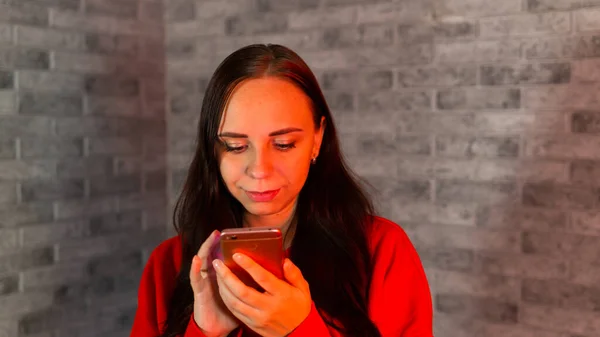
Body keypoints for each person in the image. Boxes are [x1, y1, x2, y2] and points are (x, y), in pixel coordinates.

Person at [130, 44, 433, 337]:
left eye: (284, 144)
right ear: (213, 150)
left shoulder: (381, 251)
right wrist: (206, 332)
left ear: (317, 139)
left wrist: (298, 329)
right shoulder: (168, 264)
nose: (260, 169)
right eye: (236, 146)